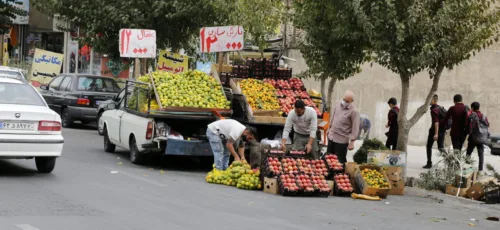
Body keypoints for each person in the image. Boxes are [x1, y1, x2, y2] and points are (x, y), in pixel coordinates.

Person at [326, 90, 360, 163]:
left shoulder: (354, 111)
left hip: (341, 141)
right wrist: (329, 129)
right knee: (328, 159)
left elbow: (355, 127)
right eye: (344, 100)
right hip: (331, 137)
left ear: (352, 101)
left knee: (339, 162)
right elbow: (333, 117)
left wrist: (352, 142)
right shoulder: (338, 104)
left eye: (347, 101)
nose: (345, 102)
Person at [465, 102, 490, 171]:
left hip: (473, 137)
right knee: (481, 154)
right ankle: (480, 169)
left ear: (472, 108)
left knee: (469, 153)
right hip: (481, 137)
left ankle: (466, 168)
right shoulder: (484, 116)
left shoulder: (472, 115)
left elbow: (468, 125)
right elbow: (487, 125)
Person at [424, 94, 446, 169]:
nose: (428, 101)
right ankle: (449, 161)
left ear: (434, 100)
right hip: (442, 131)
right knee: (441, 148)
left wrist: (436, 134)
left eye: (429, 99)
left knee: (428, 146)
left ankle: (429, 163)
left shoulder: (434, 110)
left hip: (434, 131)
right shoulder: (440, 108)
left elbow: (436, 122)